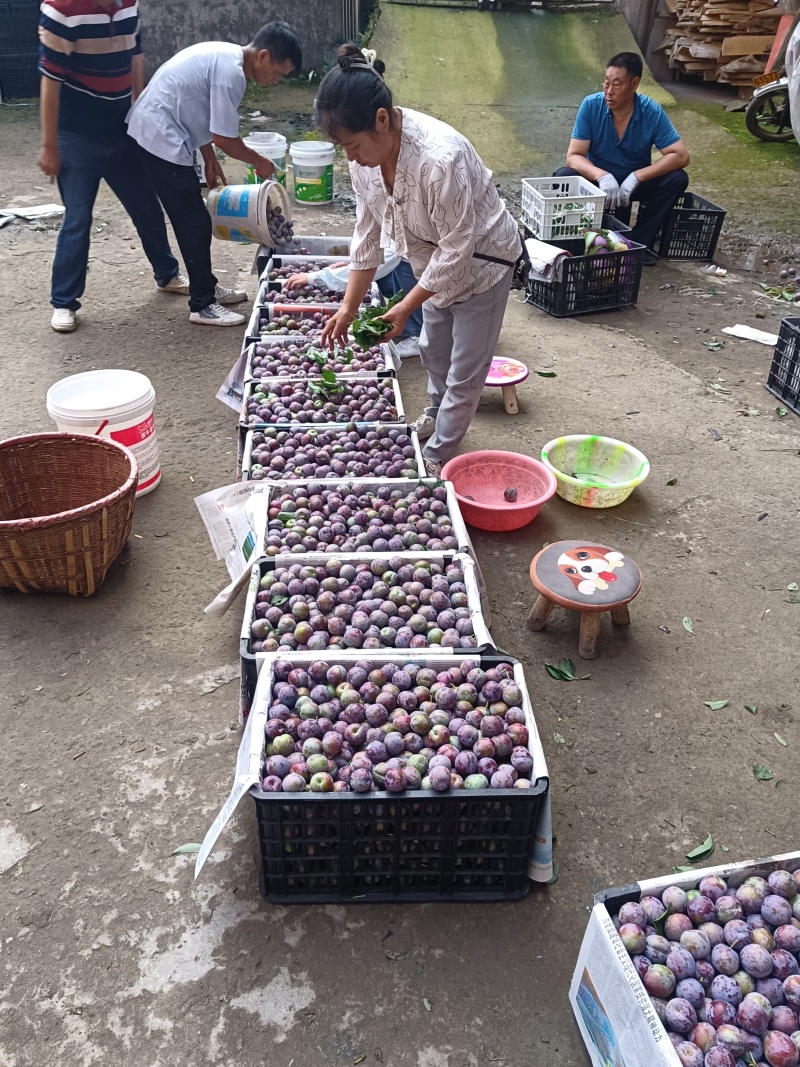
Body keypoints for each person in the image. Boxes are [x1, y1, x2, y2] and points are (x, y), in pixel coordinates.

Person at [317, 45, 520, 477]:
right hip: (432, 266)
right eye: (341, 148)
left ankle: (438, 454)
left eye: (351, 144)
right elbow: (367, 233)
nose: (349, 157)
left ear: (382, 120)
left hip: (483, 264)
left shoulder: (438, 160)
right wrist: (348, 307)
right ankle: (434, 411)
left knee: (466, 367)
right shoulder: (364, 162)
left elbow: (457, 249)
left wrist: (404, 305)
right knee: (432, 347)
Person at [126, 22, 302, 327]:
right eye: (278, 73)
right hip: (158, 135)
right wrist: (259, 161)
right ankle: (202, 304)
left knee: (193, 216)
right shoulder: (232, 74)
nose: (276, 81)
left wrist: (207, 156)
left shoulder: (227, 58)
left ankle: (204, 286)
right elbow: (225, 138)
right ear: (263, 56)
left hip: (167, 131)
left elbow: (204, 113)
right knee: (193, 220)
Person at [38, 0, 187, 334]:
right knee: (78, 217)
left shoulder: (128, 5)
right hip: (75, 133)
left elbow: (135, 55)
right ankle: (63, 302)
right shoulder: (61, 10)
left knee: (147, 205)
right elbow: (49, 80)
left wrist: (140, 110)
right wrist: (49, 146)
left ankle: (167, 275)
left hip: (121, 128)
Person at [556, 52, 690, 262]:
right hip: (597, 184)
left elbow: (680, 155)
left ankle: (639, 243)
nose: (609, 91)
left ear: (634, 84)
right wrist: (601, 175)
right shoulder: (591, 106)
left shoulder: (651, 111)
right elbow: (573, 157)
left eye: (617, 85)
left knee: (678, 178)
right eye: (606, 83)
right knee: (564, 175)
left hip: (633, 185)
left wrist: (637, 177)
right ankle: (578, 241)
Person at [285, 246, 423, 358]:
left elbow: (377, 263)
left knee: (405, 266)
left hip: (418, 261)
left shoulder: (398, 226)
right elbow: (367, 256)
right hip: (397, 258)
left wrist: (317, 278)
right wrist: (351, 269)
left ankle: (417, 334)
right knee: (381, 274)